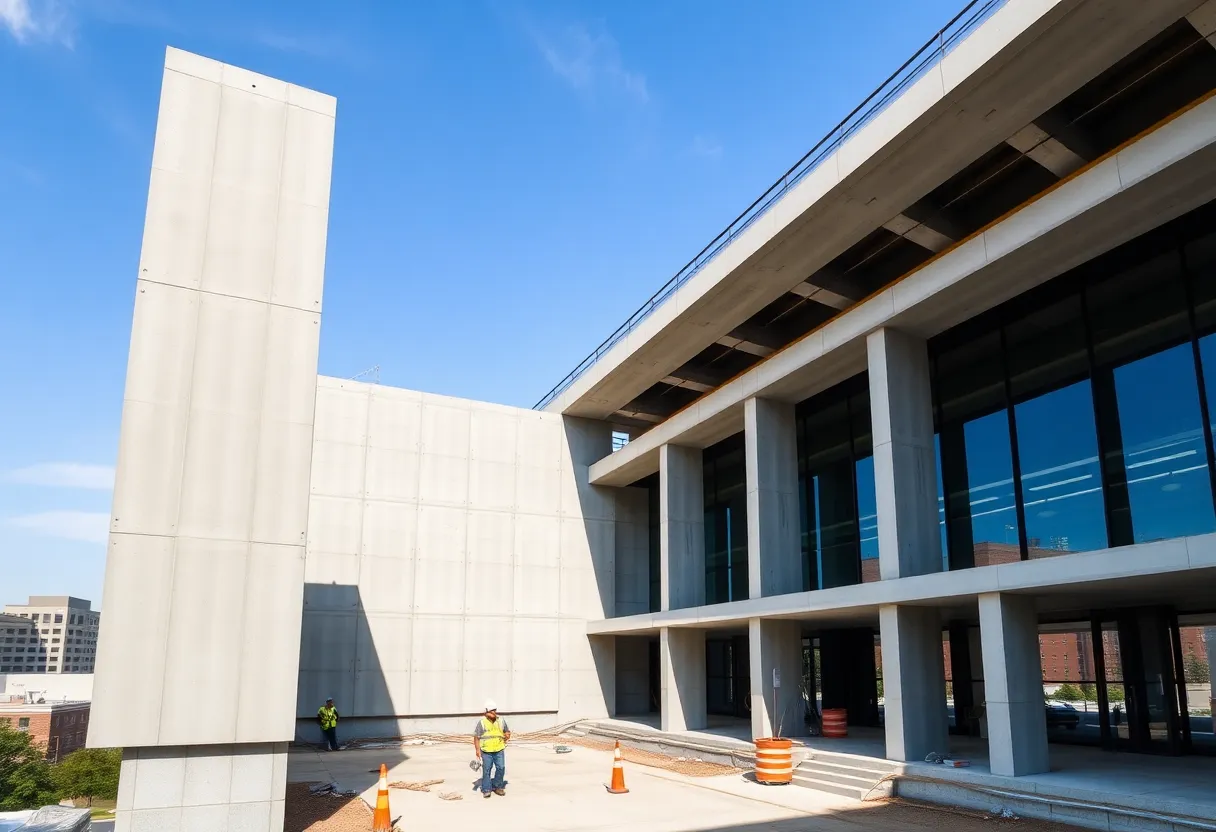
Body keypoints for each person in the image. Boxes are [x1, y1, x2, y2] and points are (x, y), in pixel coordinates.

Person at [473, 699, 510, 797]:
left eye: (494, 710)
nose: (494, 712)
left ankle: (497, 786)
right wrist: (477, 750)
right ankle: (486, 789)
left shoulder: (501, 721)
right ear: (486, 712)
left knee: (501, 768)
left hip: (499, 749)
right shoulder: (482, 723)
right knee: (487, 770)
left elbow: (507, 731)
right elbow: (476, 737)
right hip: (486, 751)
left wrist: (507, 735)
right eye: (491, 711)